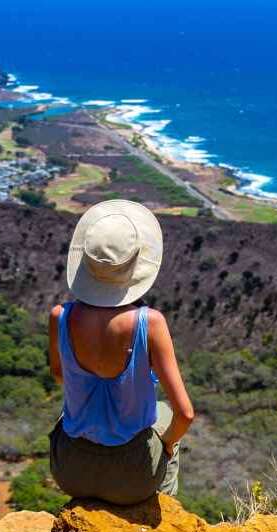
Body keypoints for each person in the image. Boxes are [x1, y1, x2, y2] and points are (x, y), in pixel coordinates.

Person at [47, 199, 195, 505]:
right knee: (165, 412)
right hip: (133, 476)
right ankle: (163, 508)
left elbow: (60, 376)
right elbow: (186, 414)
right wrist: (165, 447)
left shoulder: (59, 316)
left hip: (71, 470)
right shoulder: (149, 324)